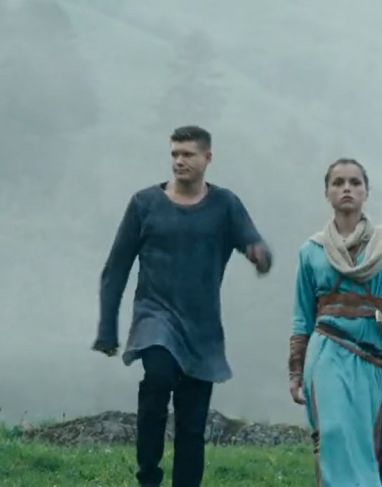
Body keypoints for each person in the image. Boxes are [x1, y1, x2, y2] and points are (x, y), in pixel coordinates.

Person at [92, 125, 273, 487]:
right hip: (154, 317)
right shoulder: (144, 204)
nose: (179, 161)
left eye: (188, 154)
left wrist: (260, 255)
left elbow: (252, 240)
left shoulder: (225, 205)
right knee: (157, 381)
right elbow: (116, 268)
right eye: (174, 153)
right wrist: (107, 329)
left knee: (192, 423)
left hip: (202, 329)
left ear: (207, 158)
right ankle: (148, 475)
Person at [287, 158, 382, 486]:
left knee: (370, 446)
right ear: (327, 192)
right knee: (335, 434)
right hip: (327, 352)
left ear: (366, 191)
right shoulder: (311, 251)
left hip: (372, 360)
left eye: (355, 182)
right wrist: (295, 371)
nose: (347, 188)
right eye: (338, 182)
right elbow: (302, 315)